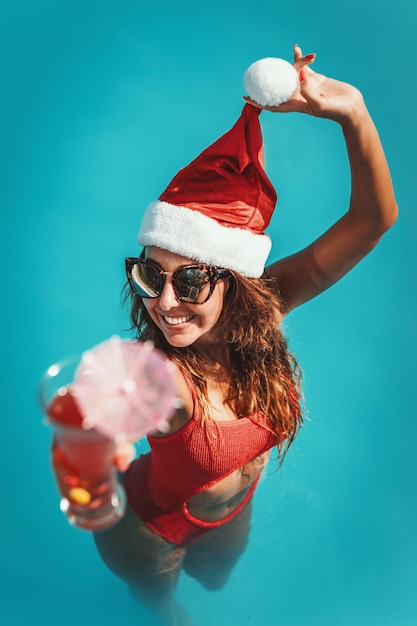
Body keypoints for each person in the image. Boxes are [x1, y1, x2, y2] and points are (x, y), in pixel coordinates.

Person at [64, 45, 398, 626]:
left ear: (235, 282)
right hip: (147, 532)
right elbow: (110, 395)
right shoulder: (161, 372)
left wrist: (354, 111)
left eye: (190, 280)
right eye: (150, 275)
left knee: (217, 583)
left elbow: (374, 221)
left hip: (232, 512)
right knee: (167, 614)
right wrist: (97, 434)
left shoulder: (264, 308)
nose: (164, 302)